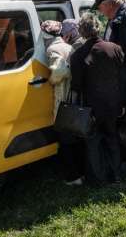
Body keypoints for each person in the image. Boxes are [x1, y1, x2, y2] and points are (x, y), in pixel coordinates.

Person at [70, 13, 124, 184]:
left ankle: (97, 178)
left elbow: (76, 85)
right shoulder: (115, 48)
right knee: (112, 138)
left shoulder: (78, 55)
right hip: (113, 102)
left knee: (92, 142)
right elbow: (122, 76)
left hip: (91, 106)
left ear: (82, 32)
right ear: (98, 28)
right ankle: (115, 174)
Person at [41, 20, 82, 185]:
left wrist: (51, 80)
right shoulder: (68, 46)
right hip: (73, 96)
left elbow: (60, 70)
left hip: (63, 97)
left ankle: (72, 176)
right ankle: (79, 172)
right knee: (73, 137)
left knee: (65, 138)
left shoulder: (52, 49)